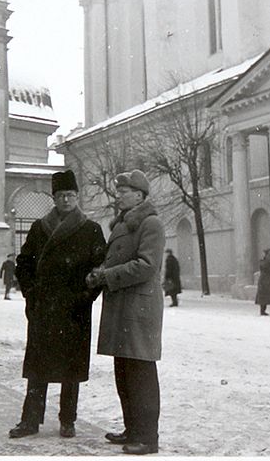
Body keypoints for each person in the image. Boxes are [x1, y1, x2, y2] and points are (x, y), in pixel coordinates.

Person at [9, 169, 106, 439]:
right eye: (62, 195)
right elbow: (24, 263)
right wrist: (31, 293)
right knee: (38, 368)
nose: (66, 200)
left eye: (71, 195)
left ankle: (68, 420)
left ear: (77, 197)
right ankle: (30, 421)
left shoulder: (91, 229)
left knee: (70, 370)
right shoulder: (40, 227)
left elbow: (100, 269)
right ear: (54, 198)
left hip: (75, 309)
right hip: (44, 308)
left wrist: (85, 297)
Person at [86, 169, 165, 455]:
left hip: (139, 308)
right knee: (124, 371)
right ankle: (133, 430)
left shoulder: (151, 223)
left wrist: (107, 275)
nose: (118, 195)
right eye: (118, 191)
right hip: (124, 306)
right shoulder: (124, 224)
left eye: (124, 191)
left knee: (141, 372)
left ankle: (147, 437)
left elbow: (147, 266)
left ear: (139, 195)